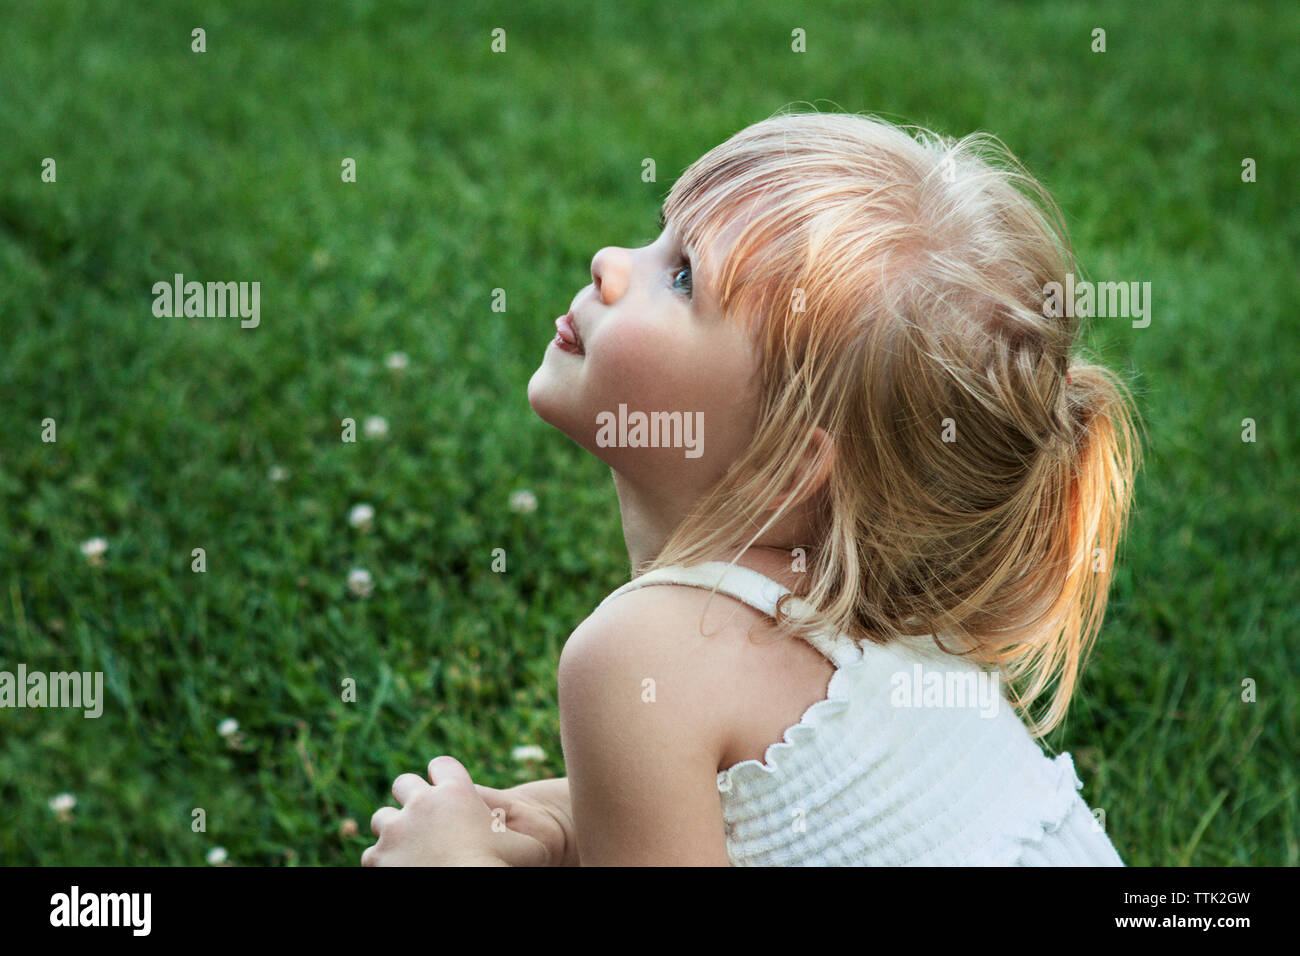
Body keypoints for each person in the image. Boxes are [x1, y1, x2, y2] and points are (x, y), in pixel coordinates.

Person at [363, 109, 1140, 866]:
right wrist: (563, 823)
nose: (609, 260)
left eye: (681, 279)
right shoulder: (893, 617)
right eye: (660, 231)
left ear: (782, 462)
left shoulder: (637, 656)